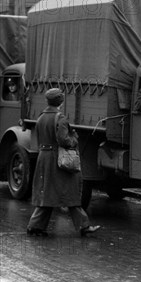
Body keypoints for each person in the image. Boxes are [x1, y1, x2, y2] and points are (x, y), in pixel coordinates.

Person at [26, 88, 101, 237]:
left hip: (44, 158)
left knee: (47, 193)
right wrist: (74, 139)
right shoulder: (61, 118)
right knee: (71, 192)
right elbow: (64, 141)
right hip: (58, 161)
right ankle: (83, 226)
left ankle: (35, 226)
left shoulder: (41, 117)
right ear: (61, 101)